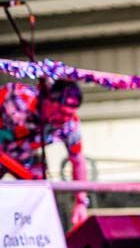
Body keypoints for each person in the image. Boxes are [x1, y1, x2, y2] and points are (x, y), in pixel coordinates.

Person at [0, 80, 89, 225]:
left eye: (69, 114)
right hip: (3, 148)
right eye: (61, 112)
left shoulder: (69, 124)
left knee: (40, 185)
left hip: (21, 158)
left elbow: (78, 160)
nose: (64, 119)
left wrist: (81, 201)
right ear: (48, 100)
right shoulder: (17, 97)